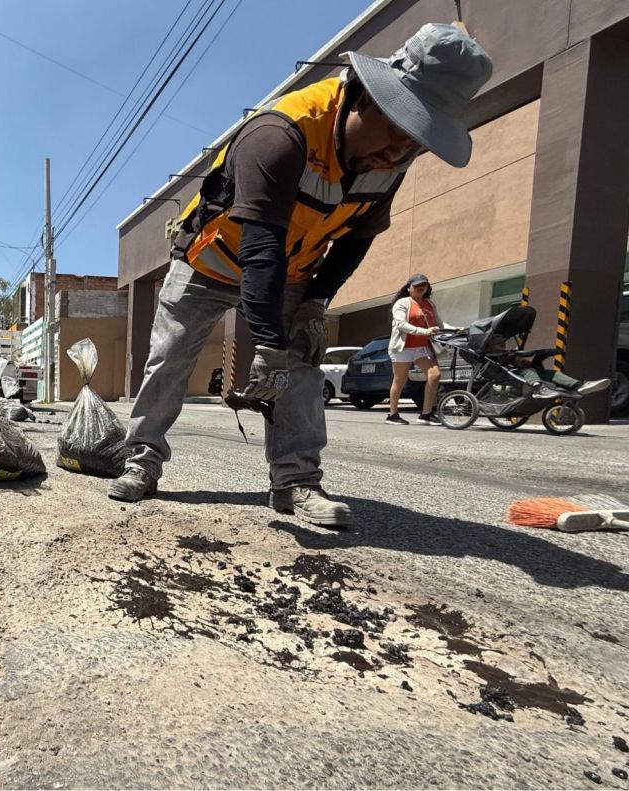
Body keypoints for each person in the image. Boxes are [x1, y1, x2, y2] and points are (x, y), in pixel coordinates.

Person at [108, 23, 493, 530]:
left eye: (415, 141)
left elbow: (356, 239)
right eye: (400, 130)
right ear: (366, 98)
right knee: (171, 357)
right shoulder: (280, 132)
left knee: (304, 363)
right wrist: (268, 343)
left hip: (291, 271)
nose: (398, 153)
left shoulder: (387, 163)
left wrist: (315, 305)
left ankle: (296, 481)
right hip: (210, 261)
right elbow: (261, 246)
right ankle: (142, 460)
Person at [386, 273, 452, 425]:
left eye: (424, 284)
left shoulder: (429, 304)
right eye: (416, 285)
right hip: (403, 347)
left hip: (422, 347)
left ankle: (426, 414)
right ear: (409, 288)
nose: (420, 287)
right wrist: (424, 331)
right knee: (400, 380)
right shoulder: (402, 303)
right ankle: (393, 414)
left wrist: (455, 329)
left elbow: (440, 325)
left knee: (435, 375)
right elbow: (401, 324)